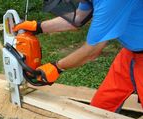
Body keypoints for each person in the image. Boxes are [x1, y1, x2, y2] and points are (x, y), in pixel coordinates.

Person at [13, 0, 143, 113]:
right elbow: (78, 18)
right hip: (130, 53)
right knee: (101, 107)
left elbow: (91, 51)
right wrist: (39, 27)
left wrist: (57, 67)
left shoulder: (111, 2)